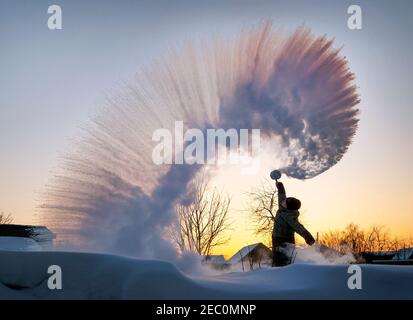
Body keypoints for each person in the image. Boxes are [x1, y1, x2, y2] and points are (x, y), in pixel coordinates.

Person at [272, 181, 315, 267]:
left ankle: (286, 272)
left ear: (289, 207)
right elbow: (282, 196)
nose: (283, 201)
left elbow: (299, 227)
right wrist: (280, 187)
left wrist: (308, 237)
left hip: (284, 239)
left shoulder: (290, 217)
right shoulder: (283, 207)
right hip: (276, 237)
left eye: (286, 202)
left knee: (283, 260)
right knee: (276, 258)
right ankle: (277, 269)